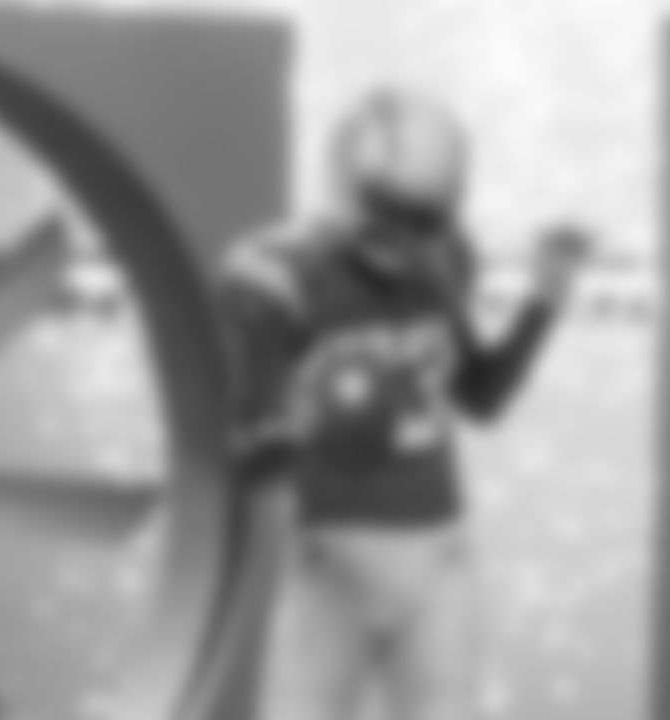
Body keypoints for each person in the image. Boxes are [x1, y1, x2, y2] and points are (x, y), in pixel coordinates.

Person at [217, 86, 591, 720]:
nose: (402, 243)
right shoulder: (284, 275)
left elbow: (482, 397)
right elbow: (251, 462)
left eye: (421, 223)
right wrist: (306, 422)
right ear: (345, 192)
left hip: (438, 557)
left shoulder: (443, 262)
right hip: (333, 559)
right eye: (387, 217)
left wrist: (544, 301)